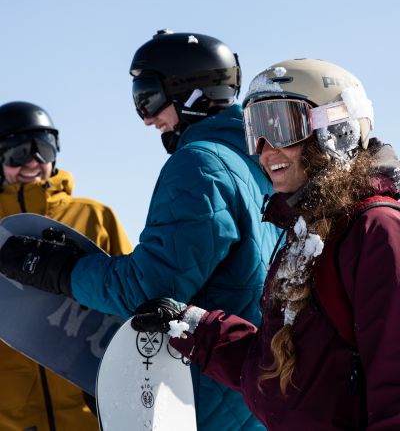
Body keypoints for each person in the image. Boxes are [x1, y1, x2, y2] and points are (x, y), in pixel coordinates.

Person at [0, 31, 282, 430]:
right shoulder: (264, 162)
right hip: (257, 392)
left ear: (189, 93)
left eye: (147, 96)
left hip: (206, 398)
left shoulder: (199, 165)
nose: (147, 118)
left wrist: (60, 270)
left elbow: (149, 289)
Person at [130, 59, 400, 430]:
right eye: (254, 130)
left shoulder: (375, 229)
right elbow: (281, 374)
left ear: (336, 129)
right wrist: (196, 327)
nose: (264, 149)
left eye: (281, 126)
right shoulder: (309, 234)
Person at [0, 101, 132, 431]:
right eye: (18, 151)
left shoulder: (94, 216)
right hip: (13, 415)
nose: (33, 161)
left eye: (43, 149)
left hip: (87, 409)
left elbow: (133, 298)